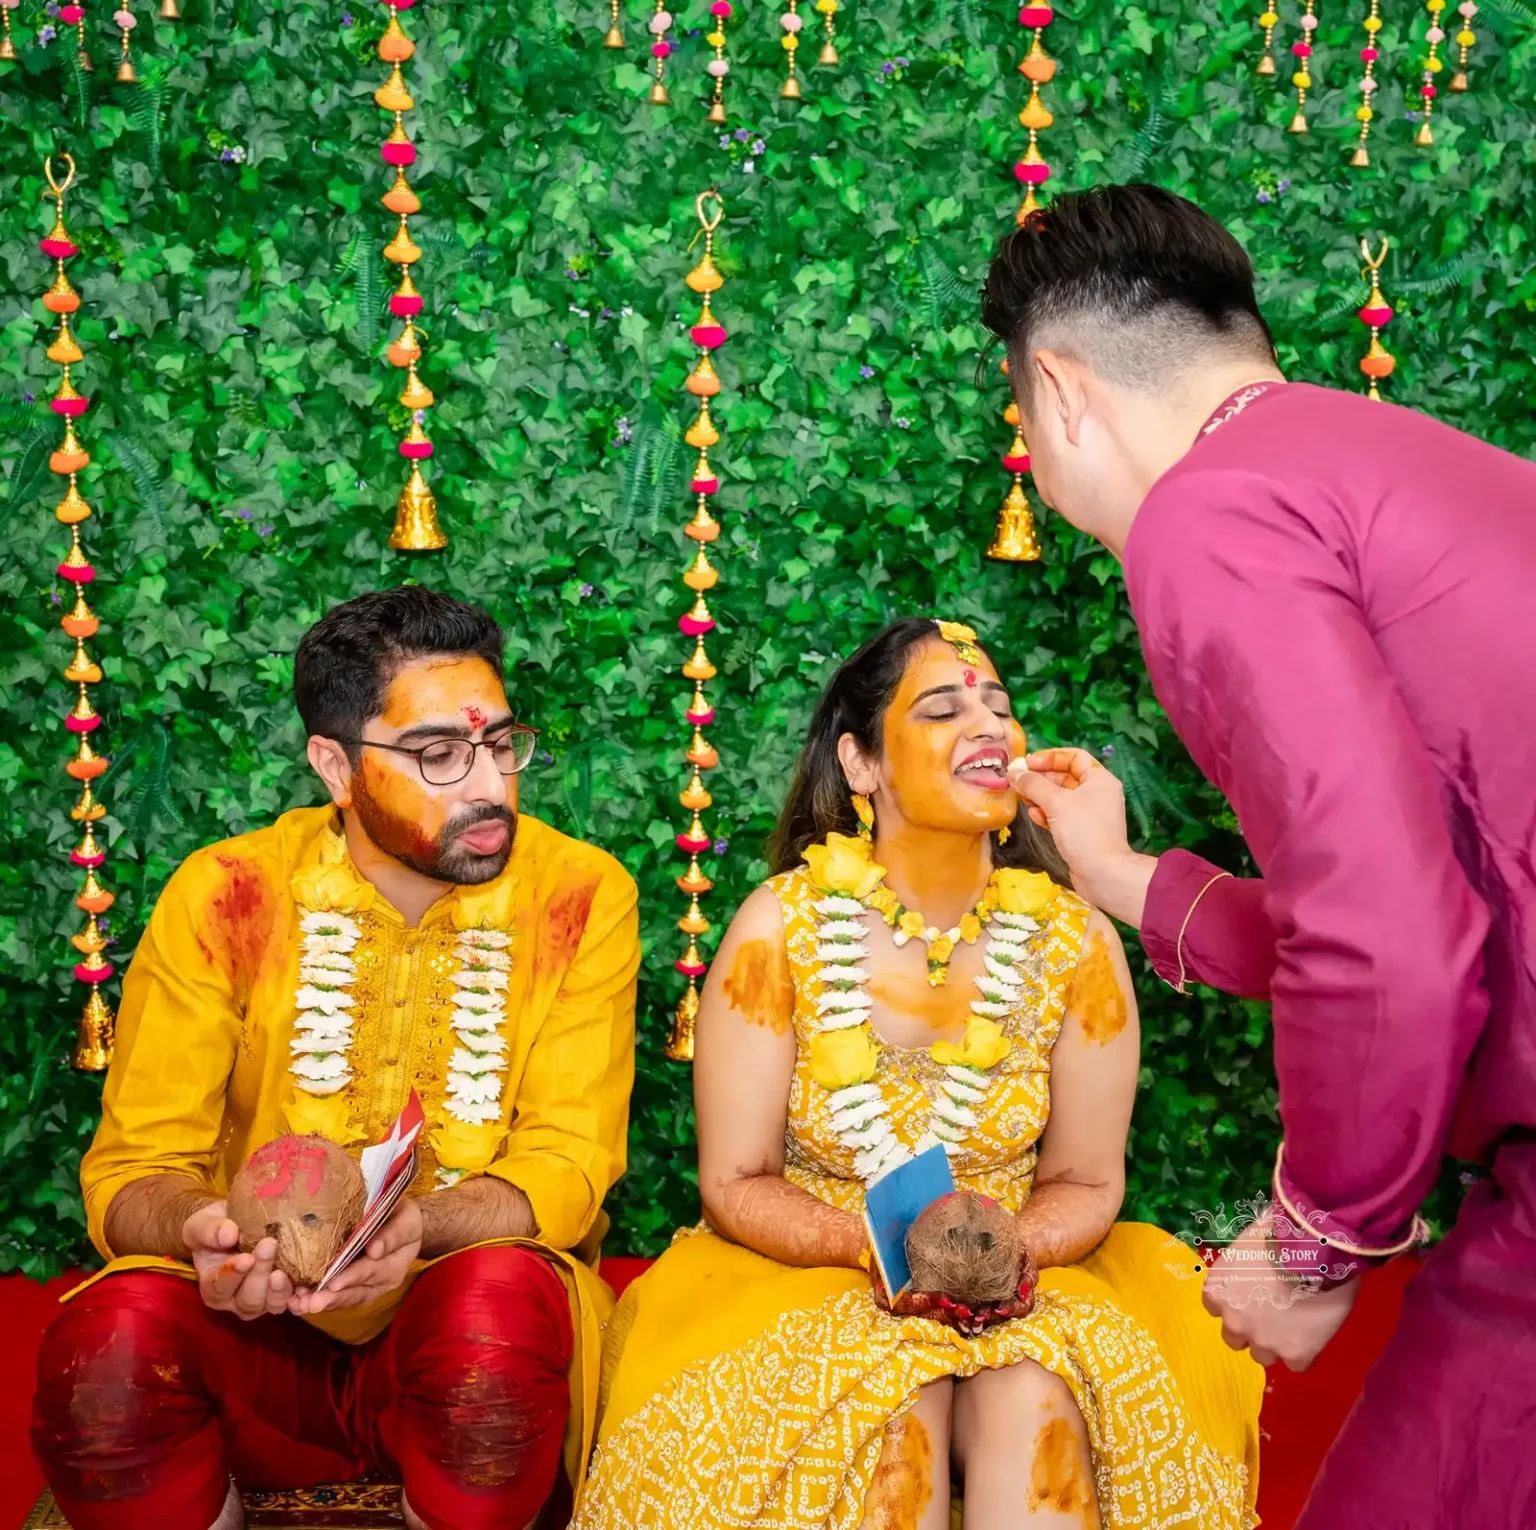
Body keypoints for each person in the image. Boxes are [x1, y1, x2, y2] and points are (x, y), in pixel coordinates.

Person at [981, 183, 1536, 1529]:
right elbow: (1442, 886)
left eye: (1019, 429)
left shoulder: (1210, 517)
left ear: (1058, 393)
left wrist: (1318, 1234)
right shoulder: (1374, 455)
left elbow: (1397, 938)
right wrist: (1127, 879)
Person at [575, 619, 1262, 1530]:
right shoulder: (778, 930)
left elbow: (1088, 1179)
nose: (987, 726)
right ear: (861, 765)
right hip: (816, 1269)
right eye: (943, 709)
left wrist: (1008, 1251)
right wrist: (875, 1251)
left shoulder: (1076, 942)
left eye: (1000, 709)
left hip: (1025, 1275)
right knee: (893, 1414)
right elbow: (735, 1182)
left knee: (1037, 1406)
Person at [31, 587, 641, 1530]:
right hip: (249, 1334)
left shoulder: (579, 896)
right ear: (336, 765)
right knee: (105, 1354)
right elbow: (131, 1173)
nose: (489, 786)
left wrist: (415, 1232)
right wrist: (214, 1233)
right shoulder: (228, 892)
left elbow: (567, 1165)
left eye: (500, 745)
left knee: (498, 1318)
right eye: (438, 754)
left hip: (453, 1327)